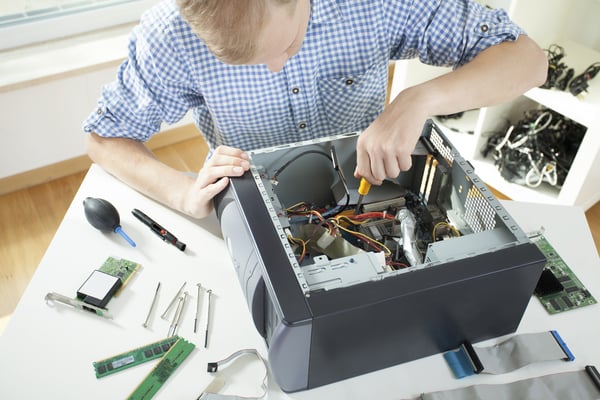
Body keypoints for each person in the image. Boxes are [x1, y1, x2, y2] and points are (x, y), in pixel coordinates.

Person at [83, 0, 547, 219]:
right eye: (246, 62)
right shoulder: (172, 35)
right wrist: (182, 193)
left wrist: (418, 99)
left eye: (285, 46)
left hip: (372, 196)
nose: (273, 68)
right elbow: (105, 138)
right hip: (257, 208)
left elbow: (530, 60)